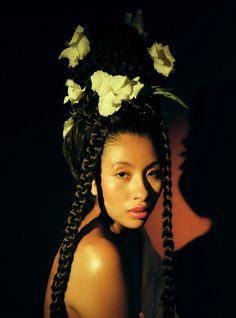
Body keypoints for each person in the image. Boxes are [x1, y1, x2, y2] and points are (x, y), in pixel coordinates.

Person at [44, 11, 187, 318]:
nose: (143, 192)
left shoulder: (130, 235)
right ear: (91, 178)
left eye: (153, 173)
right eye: (122, 173)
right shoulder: (100, 255)